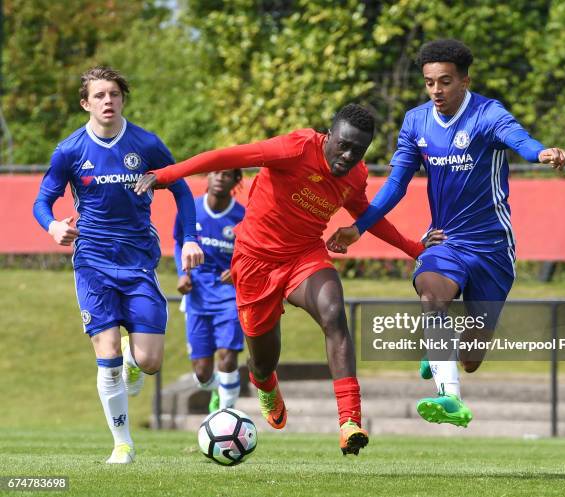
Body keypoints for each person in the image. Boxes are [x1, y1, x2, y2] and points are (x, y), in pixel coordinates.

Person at [134, 104, 429, 455]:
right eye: (344, 145)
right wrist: (168, 174)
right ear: (328, 136)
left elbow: (366, 214)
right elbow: (226, 155)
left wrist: (414, 248)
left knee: (334, 313)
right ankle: (264, 382)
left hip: (304, 255)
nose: (348, 156)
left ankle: (349, 421)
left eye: (358, 151)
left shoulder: (355, 176)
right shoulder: (295, 148)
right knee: (262, 360)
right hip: (255, 261)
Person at [327, 39, 565, 428]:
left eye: (444, 82)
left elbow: (518, 139)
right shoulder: (416, 122)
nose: (436, 91)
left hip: (492, 248)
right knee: (432, 297)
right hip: (445, 241)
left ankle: (440, 349)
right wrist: (359, 227)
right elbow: (396, 184)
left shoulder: (488, 114)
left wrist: (539, 152)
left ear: (464, 80)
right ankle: (449, 397)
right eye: (429, 83)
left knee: (472, 359)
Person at [32, 66, 204, 464]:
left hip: (139, 261)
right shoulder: (70, 150)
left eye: (114, 94)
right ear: (85, 103)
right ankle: (122, 444)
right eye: (99, 95)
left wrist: (191, 237)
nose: (107, 101)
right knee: (105, 355)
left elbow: (180, 187)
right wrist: (52, 225)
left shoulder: (145, 144)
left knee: (149, 361)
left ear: (123, 98)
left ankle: (132, 358)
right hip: (92, 260)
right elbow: (42, 201)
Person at [173, 170, 245, 412]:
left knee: (227, 357)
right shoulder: (191, 209)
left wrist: (238, 270)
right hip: (198, 296)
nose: (219, 178)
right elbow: (178, 242)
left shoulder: (243, 217)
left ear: (236, 182)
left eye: (226, 175)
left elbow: (254, 254)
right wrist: (182, 273)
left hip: (229, 296)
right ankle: (219, 389)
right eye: (215, 173)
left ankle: (227, 417)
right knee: (202, 375)